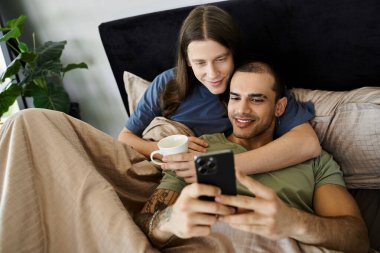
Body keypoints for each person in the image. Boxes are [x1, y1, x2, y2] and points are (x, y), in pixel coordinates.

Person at [135, 62, 369, 252]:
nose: (242, 110)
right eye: (235, 98)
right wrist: (170, 219)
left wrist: (293, 222)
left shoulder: (316, 161)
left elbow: (357, 239)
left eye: (256, 99)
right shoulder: (201, 149)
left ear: (279, 107)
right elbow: (143, 225)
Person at [118, 5, 321, 181]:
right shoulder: (167, 82)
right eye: (200, 63)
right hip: (158, 166)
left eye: (221, 59)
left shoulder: (251, 84)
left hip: (201, 174)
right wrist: (170, 149)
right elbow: (125, 138)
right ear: (188, 60)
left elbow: (307, 143)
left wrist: (216, 165)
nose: (212, 73)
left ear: (233, 53)